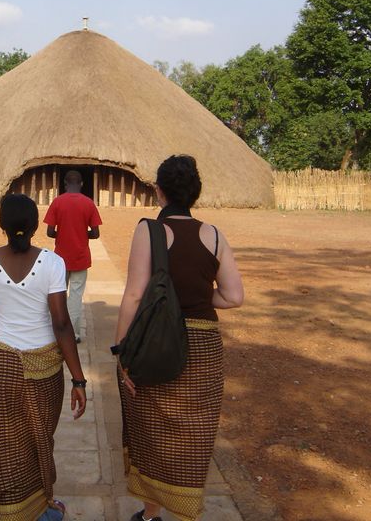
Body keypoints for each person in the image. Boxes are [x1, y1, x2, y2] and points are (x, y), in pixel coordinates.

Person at [112, 155, 244, 521]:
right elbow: (234, 296)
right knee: (194, 434)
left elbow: (135, 295)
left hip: (157, 342)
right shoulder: (214, 235)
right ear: (195, 193)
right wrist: (199, 299)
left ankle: (150, 514)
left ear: (159, 191)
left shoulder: (149, 231)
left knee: (150, 427)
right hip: (203, 349)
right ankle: (186, 512)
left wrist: (121, 350)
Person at [0, 193, 88, 521]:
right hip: (44, 370)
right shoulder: (53, 263)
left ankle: (12, 511)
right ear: (36, 226)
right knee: (40, 439)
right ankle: (45, 505)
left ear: (1, 225)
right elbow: (61, 323)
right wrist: (78, 379)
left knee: (3, 445)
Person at [44, 170, 102, 343]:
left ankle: (57, 331)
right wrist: (82, 235)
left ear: (64, 184)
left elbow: (49, 232)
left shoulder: (57, 202)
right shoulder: (89, 203)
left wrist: (63, 234)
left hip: (60, 258)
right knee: (75, 296)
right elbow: (96, 233)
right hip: (81, 257)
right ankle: (74, 334)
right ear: (82, 184)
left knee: (58, 295)